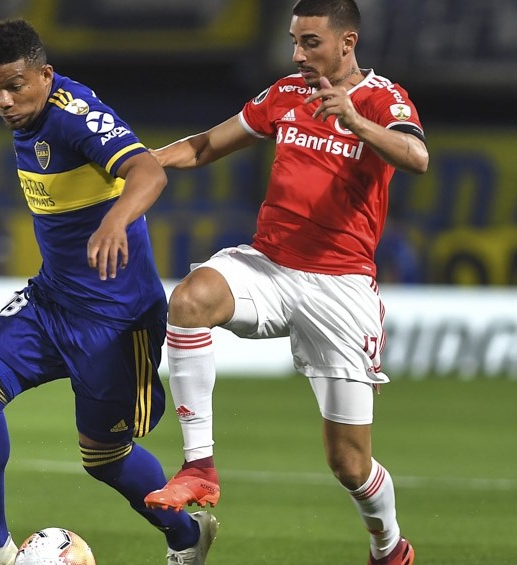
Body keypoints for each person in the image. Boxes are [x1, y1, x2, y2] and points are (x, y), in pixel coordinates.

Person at [141, 1, 427, 564]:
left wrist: (356, 121)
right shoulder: (286, 94)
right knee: (190, 300)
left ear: (347, 42)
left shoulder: (383, 99)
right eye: (295, 41)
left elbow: (416, 156)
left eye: (310, 42)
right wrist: (145, 160)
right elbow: (207, 145)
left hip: (341, 287)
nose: (298, 54)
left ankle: (390, 547)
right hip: (269, 265)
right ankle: (199, 466)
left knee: (349, 463)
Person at [0, 19, 216, 565]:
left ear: (45, 75)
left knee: (104, 456)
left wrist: (115, 220)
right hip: (52, 301)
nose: (4, 101)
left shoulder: (76, 117)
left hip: (115, 319)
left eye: (15, 86)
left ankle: (187, 536)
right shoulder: (28, 119)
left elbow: (148, 172)